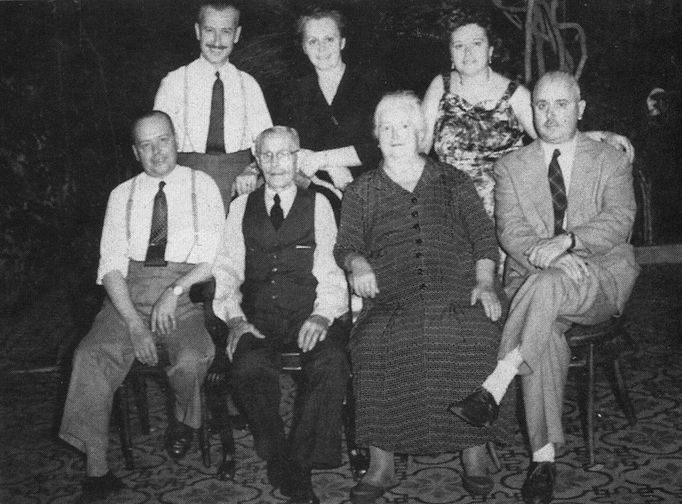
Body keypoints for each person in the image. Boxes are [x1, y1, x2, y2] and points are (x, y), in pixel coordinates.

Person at [450, 72, 640, 504]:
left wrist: (568, 242)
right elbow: (510, 231)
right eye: (541, 105)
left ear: (581, 108)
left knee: (548, 285)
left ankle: (496, 382)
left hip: (600, 278)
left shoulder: (609, 160)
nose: (550, 114)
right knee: (547, 331)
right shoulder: (511, 166)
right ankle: (543, 459)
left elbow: (619, 220)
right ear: (530, 110)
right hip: (538, 281)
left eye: (561, 104)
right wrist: (547, 254)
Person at [334, 91, 506, 503]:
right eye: (387, 127)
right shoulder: (362, 191)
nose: (395, 135)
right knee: (372, 343)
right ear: (376, 135)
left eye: (405, 126)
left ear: (422, 132)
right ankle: (382, 462)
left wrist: (484, 283)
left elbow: (484, 237)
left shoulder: (453, 181)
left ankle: (474, 453)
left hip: (457, 291)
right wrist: (357, 264)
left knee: (480, 335)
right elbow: (347, 245)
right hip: (391, 298)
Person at [59, 111, 225, 503]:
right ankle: (96, 468)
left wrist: (176, 291)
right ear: (135, 152)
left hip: (182, 296)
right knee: (90, 355)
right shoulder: (122, 195)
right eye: (146, 145)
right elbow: (111, 266)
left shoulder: (202, 185)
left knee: (192, 357)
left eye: (163, 140)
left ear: (176, 140)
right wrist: (134, 324)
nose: (156, 152)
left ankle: (184, 421)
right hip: (127, 298)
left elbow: (214, 257)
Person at [213, 126, 350, 504]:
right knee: (247, 368)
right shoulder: (241, 207)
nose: (275, 163)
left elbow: (331, 269)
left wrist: (323, 316)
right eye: (267, 155)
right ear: (257, 160)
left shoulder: (318, 203)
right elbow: (226, 269)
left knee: (331, 362)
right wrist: (235, 318)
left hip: (308, 312)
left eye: (284, 154)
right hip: (259, 319)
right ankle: (276, 451)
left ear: (297, 156)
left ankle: (298, 465)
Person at [422, 9, 635, 222]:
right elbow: (420, 145)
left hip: (503, 207)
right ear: (451, 54)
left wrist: (603, 136)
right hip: (449, 204)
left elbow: (557, 136)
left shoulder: (514, 94)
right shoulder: (440, 86)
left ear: (490, 51)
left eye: (476, 43)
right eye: (459, 46)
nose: (468, 53)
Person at [237, 8, 386, 216]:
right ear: (304, 47)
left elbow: (377, 146)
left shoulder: (369, 85)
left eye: (329, 39)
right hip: (313, 189)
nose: (321, 48)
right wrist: (329, 165)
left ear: (342, 42)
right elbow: (287, 145)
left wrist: (323, 159)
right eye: (312, 41)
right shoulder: (294, 91)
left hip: (369, 191)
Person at [154, 0, 272, 210]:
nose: (217, 41)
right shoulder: (173, 82)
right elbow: (158, 145)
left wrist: (253, 171)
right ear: (198, 31)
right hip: (186, 183)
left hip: (239, 185)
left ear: (236, 35)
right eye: (210, 30)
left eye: (226, 32)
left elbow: (268, 144)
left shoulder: (249, 84)